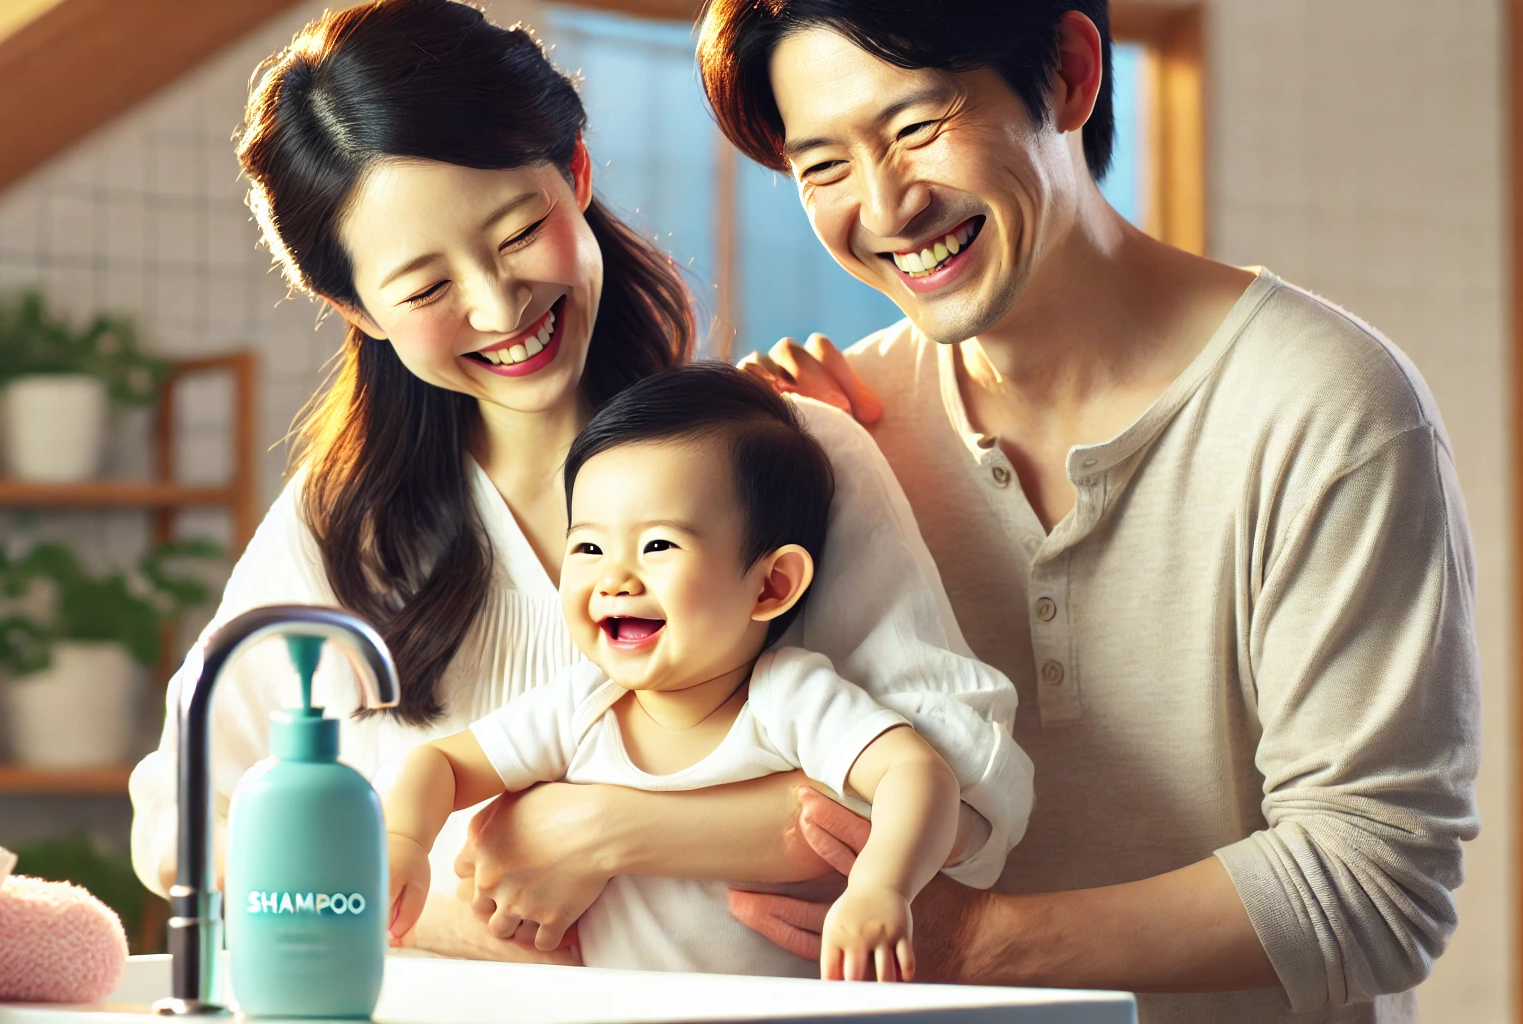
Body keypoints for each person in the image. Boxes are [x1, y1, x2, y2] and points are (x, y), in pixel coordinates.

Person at [590, 1, 1477, 1021]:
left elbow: (1378, 883)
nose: (884, 206)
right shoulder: (840, 440)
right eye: (820, 166)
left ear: (1067, 71)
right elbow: (727, 751)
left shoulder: (1327, 404)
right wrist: (770, 493)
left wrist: (973, 942)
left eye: (916, 127)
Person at [127, 0, 1032, 966]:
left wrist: (602, 828)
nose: (496, 303)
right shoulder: (340, 529)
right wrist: (447, 916)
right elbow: (182, 829)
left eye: (519, 232)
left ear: (578, 176)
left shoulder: (792, 451)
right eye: (426, 289)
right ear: (356, 307)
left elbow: (971, 795)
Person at [385, 364, 981, 982]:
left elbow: (917, 774)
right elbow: (439, 764)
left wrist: (882, 887)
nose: (614, 578)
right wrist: (404, 840)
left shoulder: (788, 698)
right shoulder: (581, 707)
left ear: (772, 585)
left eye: (659, 546)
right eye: (588, 548)